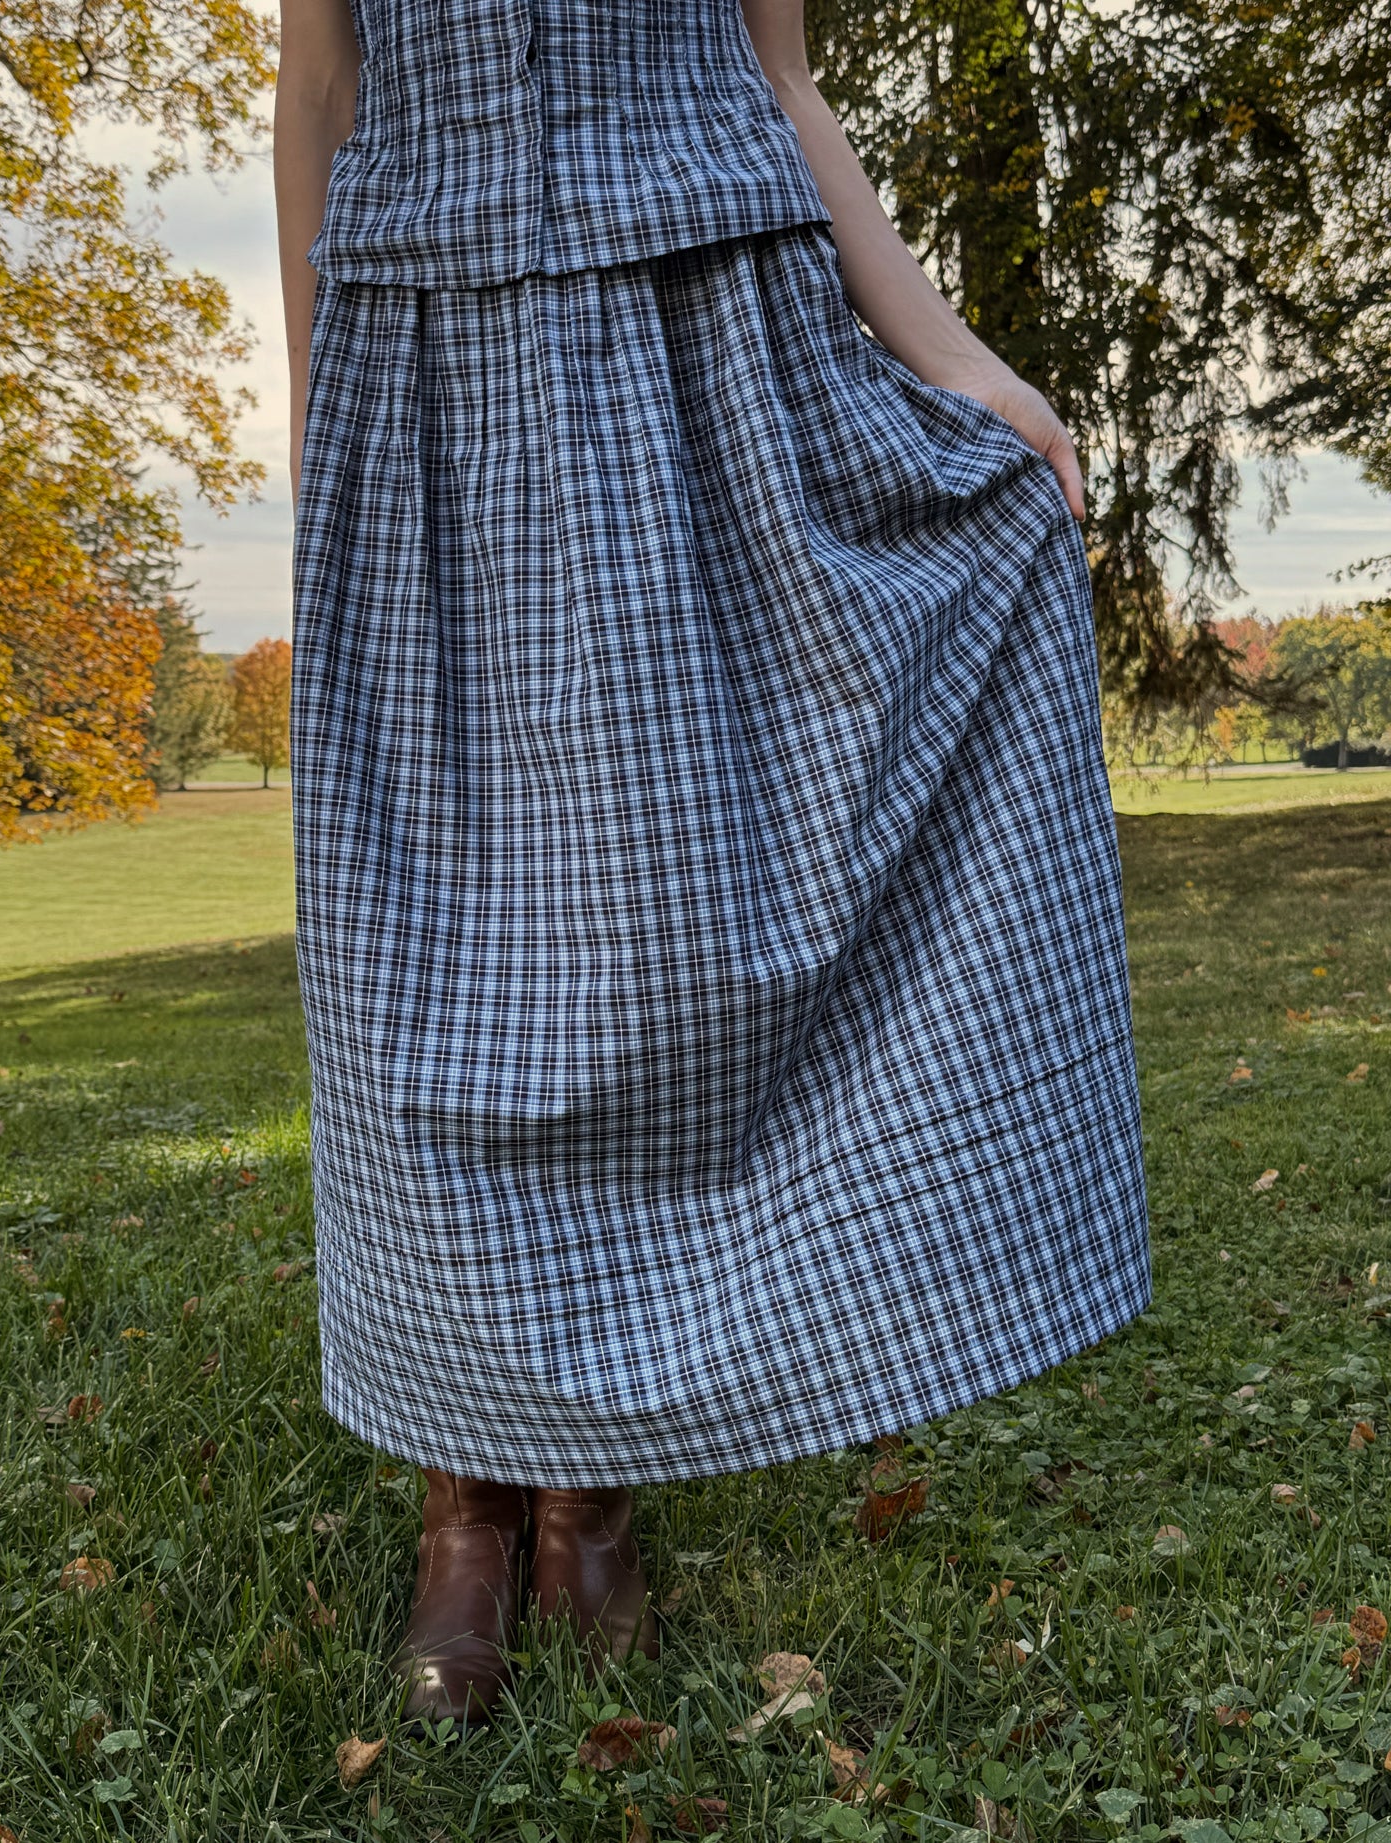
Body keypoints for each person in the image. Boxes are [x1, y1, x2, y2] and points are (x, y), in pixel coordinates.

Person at [274, 0, 1152, 1734]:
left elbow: (783, 71)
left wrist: (952, 356)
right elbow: (317, 85)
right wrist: (320, 444)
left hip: (716, 357)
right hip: (430, 360)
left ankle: (588, 1488)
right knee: (430, 955)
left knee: (660, 950)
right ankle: (467, 1504)